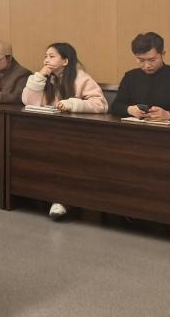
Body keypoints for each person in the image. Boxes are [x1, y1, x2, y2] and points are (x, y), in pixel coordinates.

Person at [22, 42, 107, 221]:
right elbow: (28, 100)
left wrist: (73, 104)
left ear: (65, 61)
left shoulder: (81, 78)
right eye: (46, 56)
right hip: (48, 130)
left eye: (52, 56)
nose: (46, 60)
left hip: (74, 134)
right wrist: (40, 76)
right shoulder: (46, 78)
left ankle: (61, 200)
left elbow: (100, 104)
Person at [111, 32, 170, 123]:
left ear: (163, 54)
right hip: (136, 128)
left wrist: (169, 115)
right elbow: (115, 106)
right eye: (141, 60)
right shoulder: (130, 77)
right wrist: (129, 109)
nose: (147, 65)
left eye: (152, 60)